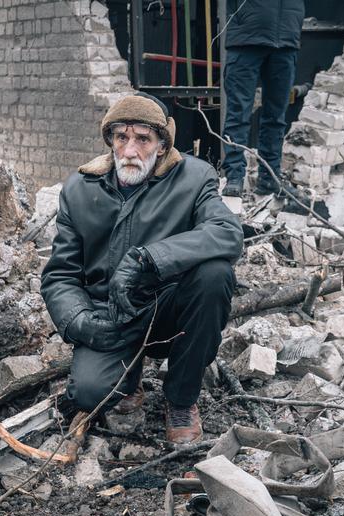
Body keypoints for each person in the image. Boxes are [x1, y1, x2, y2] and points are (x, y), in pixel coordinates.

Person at [40, 93, 243, 447]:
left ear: (162, 145)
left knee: (214, 275)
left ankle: (180, 400)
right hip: (109, 316)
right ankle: (127, 378)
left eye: (143, 139)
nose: (130, 150)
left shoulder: (193, 178)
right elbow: (60, 275)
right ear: (111, 141)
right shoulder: (78, 189)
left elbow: (227, 233)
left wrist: (148, 258)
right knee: (89, 395)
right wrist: (82, 323)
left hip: (167, 307)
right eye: (121, 137)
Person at [220, 0, 304, 199]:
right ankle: (234, 177)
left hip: (286, 39)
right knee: (238, 113)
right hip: (246, 37)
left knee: (276, 117)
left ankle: (270, 178)